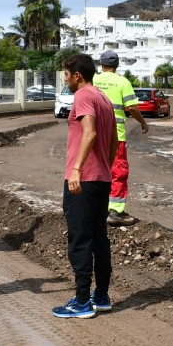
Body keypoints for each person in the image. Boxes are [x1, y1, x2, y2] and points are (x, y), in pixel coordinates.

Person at [54, 53, 119, 319]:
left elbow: (90, 132)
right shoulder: (103, 97)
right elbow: (114, 140)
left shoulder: (83, 96)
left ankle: (81, 301)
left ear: (76, 74)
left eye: (66, 74)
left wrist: (78, 169)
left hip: (83, 180)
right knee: (99, 238)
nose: (65, 79)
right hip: (101, 179)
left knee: (80, 239)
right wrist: (104, 164)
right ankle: (100, 295)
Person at [92, 50, 149, 227]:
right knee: (118, 171)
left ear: (101, 65)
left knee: (94, 171)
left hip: (92, 134)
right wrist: (143, 123)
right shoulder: (122, 82)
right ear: (117, 66)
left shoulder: (93, 80)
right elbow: (132, 108)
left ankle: (95, 208)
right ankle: (116, 211)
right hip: (115, 135)